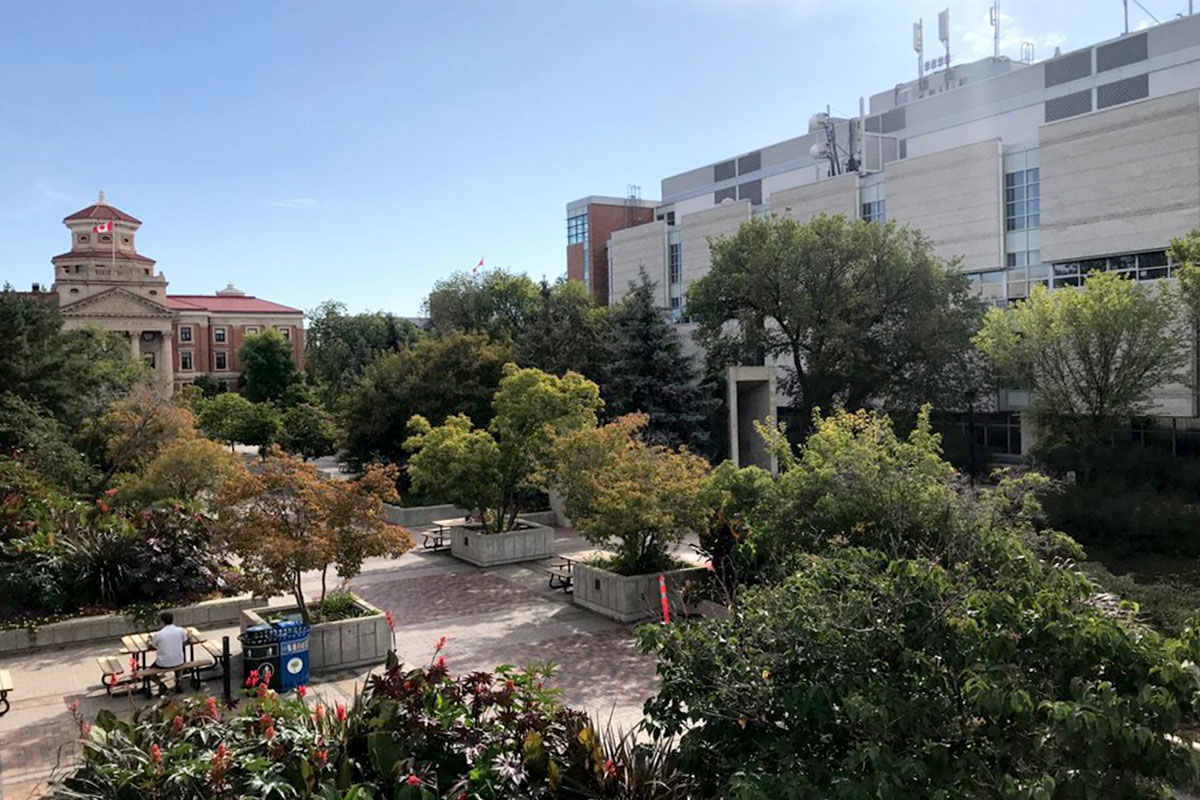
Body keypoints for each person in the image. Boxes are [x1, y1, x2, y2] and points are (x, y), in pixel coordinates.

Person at [149, 612, 188, 692]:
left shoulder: (158, 634)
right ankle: (178, 681)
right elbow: (185, 640)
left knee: (149, 672)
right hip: (179, 661)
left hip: (163, 663)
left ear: (162, 622)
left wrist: (149, 641)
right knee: (179, 664)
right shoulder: (180, 631)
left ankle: (160, 684)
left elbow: (152, 646)